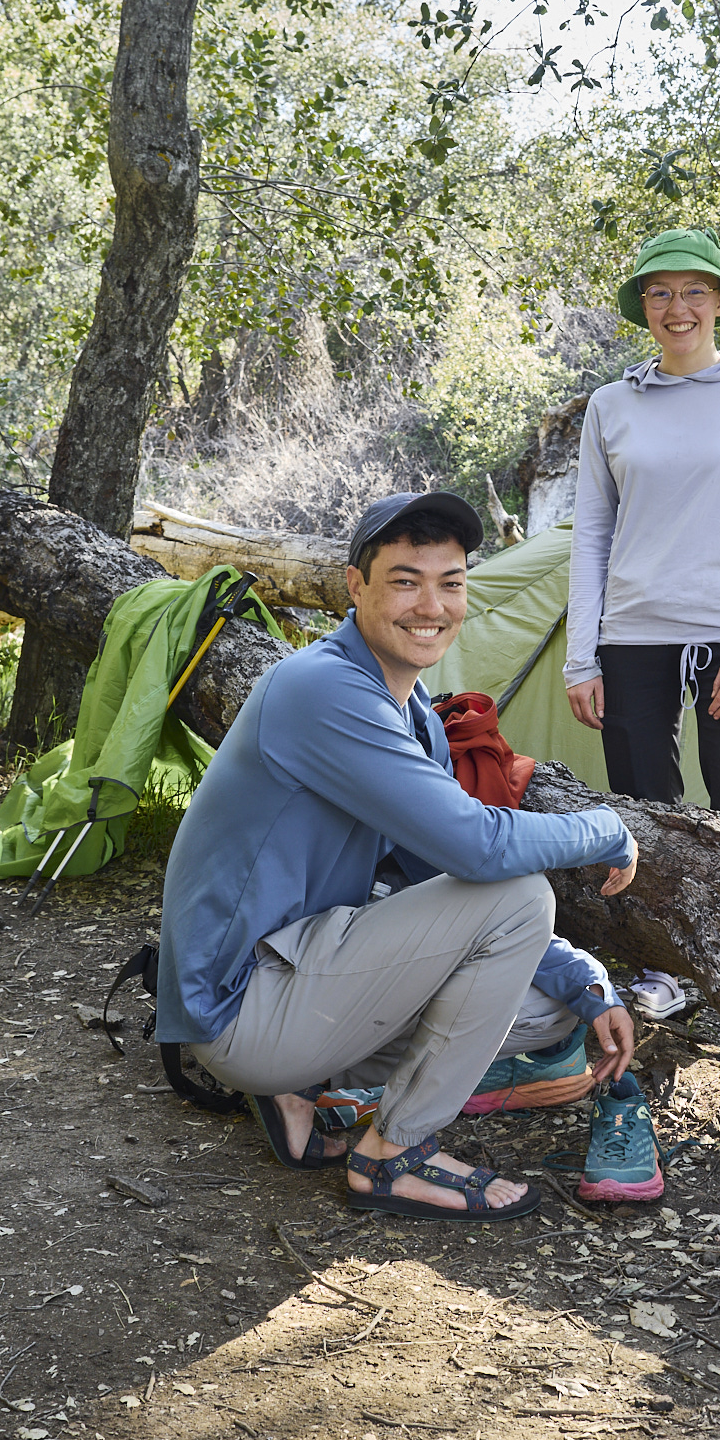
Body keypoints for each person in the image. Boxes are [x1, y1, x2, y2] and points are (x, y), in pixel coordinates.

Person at [157, 490, 647, 1221]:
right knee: (519, 897)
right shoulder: (323, 688)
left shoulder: (410, 709)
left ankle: (298, 1093)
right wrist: (606, 828)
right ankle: (394, 1154)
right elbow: (479, 852)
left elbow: (432, 874)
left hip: (288, 981)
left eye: (451, 582)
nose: (432, 605)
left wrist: (583, 978)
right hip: (239, 1006)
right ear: (355, 587)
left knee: (547, 1012)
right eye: (405, 580)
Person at [564, 227, 720, 1019]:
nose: (678, 308)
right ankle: (662, 971)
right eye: (660, 292)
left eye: (695, 290)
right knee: (643, 816)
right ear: (643, 305)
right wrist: (580, 658)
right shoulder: (611, 405)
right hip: (630, 638)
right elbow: (593, 536)